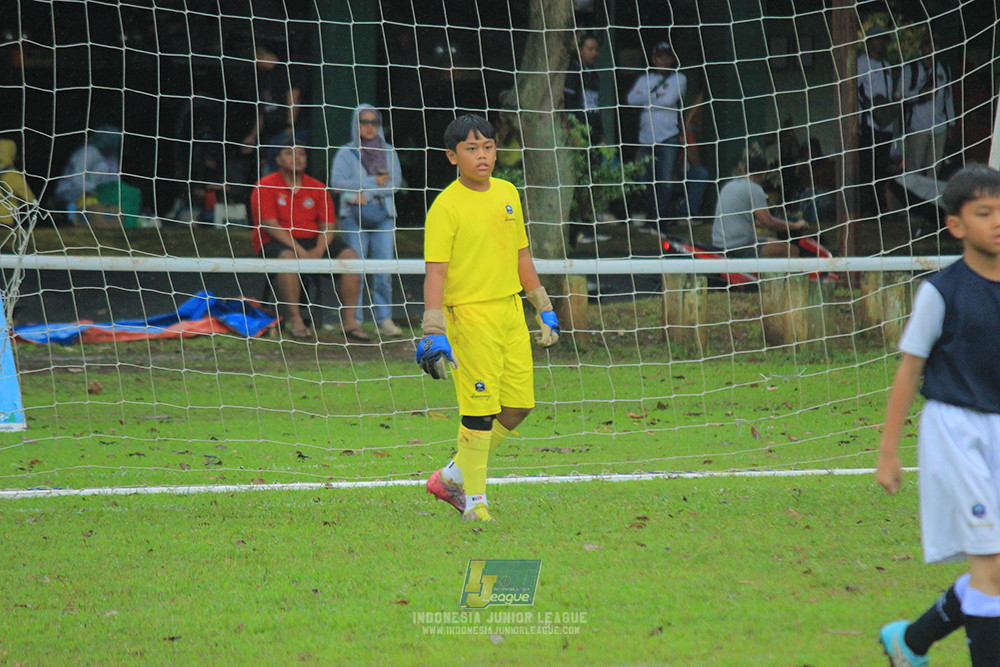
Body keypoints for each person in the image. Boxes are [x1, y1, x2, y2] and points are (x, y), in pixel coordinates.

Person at [876, 164, 1000, 666]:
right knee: (990, 567)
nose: (997, 222)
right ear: (956, 224)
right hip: (956, 430)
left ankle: (911, 642)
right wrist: (888, 453)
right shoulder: (941, 291)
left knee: (993, 571)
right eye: (984, 212)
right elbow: (909, 371)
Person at [418, 114, 560, 522]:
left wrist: (543, 305)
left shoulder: (508, 192)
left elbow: (521, 254)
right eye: (471, 149)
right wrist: (433, 328)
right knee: (478, 411)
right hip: (468, 318)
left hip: (510, 312)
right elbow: (436, 272)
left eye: (489, 147)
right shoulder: (445, 207)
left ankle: (450, 476)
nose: (482, 156)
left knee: (518, 406)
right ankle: (476, 504)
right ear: (452, 156)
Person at [249, 142, 367, 342]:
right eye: (289, 153)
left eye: (302, 154)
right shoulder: (265, 185)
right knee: (288, 258)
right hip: (278, 241)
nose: (297, 158)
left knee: (351, 257)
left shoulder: (317, 187)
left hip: (313, 240)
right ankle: (295, 320)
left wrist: (319, 250)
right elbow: (270, 225)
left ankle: (349, 322)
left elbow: (328, 225)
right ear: (278, 160)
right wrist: (301, 252)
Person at [330, 105, 405, 339]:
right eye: (364, 122)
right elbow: (337, 183)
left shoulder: (389, 151)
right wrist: (376, 184)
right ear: (356, 124)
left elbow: (395, 184)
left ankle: (384, 319)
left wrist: (367, 191)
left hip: (383, 216)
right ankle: (355, 320)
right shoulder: (346, 152)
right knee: (356, 269)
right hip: (353, 217)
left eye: (374, 122)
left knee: (384, 269)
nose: (369, 127)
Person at [626, 41, 686, 232]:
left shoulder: (679, 78)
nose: (663, 59)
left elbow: (670, 99)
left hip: (668, 137)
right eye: (660, 55)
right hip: (646, 138)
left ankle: (663, 223)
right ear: (653, 58)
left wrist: (647, 98)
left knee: (665, 182)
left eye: (667, 55)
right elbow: (630, 100)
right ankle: (651, 220)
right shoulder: (645, 79)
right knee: (644, 181)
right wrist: (657, 96)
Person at [711, 155, 808, 257]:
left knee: (773, 242)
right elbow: (767, 222)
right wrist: (795, 226)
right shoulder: (754, 189)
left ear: (744, 170)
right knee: (792, 250)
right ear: (764, 174)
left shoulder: (729, 185)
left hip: (720, 243)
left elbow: (738, 216)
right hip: (739, 246)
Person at [240, 44, 309, 176]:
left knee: (286, 171)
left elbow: (293, 97)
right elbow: (262, 111)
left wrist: (290, 126)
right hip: (272, 135)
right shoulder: (262, 78)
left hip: (290, 132)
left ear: (261, 54)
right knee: (269, 172)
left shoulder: (286, 70)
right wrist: (253, 136)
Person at [53, 125, 141, 224]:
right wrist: (94, 189)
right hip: (71, 189)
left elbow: (113, 178)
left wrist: (109, 190)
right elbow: (77, 179)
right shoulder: (87, 152)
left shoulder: (111, 157)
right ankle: (72, 220)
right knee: (76, 199)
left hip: (96, 193)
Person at [897, 31, 955, 177]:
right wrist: (920, 94)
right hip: (918, 125)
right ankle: (911, 197)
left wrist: (951, 124)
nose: (932, 48)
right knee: (914, 166)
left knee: (935, 168)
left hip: (940, 126)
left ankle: (930, 198)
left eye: (935, 44)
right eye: (928, 44)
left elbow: (948, 98)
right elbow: (899, 96)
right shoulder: (911, 69)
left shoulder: (944, 69)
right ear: (921, 47)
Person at [857, 23, 898, 215]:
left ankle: (879, 207)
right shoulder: (861, 63)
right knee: (867, 168)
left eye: (884, 40)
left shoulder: (887, 65)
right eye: (877, 39)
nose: (881, 43)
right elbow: (855, 92)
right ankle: (866, 208)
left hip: (885, 124)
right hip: (869, 123)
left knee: (882, 167)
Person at [563, 31, 605, 146]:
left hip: (593, 134)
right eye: (590, 49)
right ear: (580, 50)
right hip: (578, 133)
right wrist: (573, 131)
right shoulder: (573, 72)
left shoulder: (594, 75)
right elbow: (568, 105)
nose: (594, 53)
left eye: (596, 50)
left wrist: (601, 134)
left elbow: (595, 107)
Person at [0, 137, 37, 227]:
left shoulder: (13, 176)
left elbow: (31, 201)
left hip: (5, 221)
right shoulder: (14, 176)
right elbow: (31, 201)